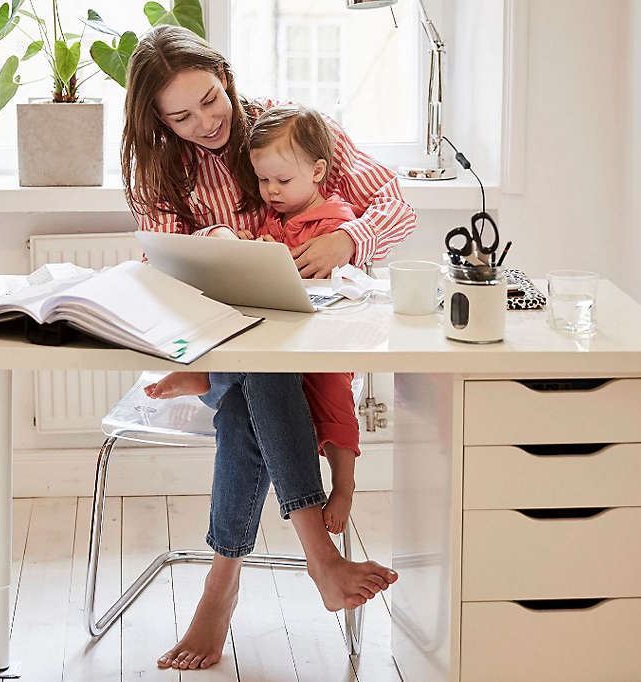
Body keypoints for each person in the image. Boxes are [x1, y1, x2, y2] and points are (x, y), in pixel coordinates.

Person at [121, 25, 416, 671]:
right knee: (256, 374)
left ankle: (219, 589)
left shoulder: (291, 127)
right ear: (157, 121)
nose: (204, 121)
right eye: (180, 115)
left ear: (224, 75)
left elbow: (395, 204)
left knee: (252, 393)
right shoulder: (161, 173)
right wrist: (218, 250)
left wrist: (352, 239)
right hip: (221, 342)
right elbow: (163, 270)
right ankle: (320, 557)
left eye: (210, 97)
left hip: (300, 343)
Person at [145, 104, 364, 536]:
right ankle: (208, 374)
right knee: (253, 360)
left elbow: (349, 283)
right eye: (263, 181)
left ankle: (343, 485)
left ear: (319, 171)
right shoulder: (272, 217)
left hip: (319, 344)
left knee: (335, 400)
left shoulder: (337, 222)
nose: (271, 191)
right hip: (274, 343)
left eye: (282, 180)